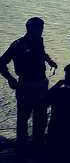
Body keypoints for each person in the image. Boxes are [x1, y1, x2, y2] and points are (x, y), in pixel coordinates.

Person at [1, 17, 57, 149]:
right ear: (30, 28)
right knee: (24, 117)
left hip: (41, 83)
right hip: (25, 84)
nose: (41, 31)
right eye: (39, 28)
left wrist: (49, 61)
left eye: (42, 28)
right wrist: (10, 78)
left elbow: (42, 53)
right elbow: (1, 62)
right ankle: (22, 144)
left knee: (41, 116)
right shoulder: (18, 44)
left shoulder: (38, 41)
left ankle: (37, 142)